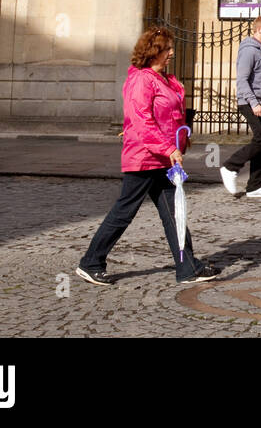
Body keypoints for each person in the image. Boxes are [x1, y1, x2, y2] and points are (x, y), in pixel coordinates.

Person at [76, 27, 219, 285]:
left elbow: (172, 116)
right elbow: (141, 121)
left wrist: (179, 142)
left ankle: (187, 267)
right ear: (154, 52)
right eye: (167, 49)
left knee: (174, 213)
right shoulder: (141, 80)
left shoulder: (166, 80)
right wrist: (168, 148)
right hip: (143, 158)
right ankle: (90, 262)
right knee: (124, 212)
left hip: (162, 160)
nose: (172, 53)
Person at [221, 16, 261, 198]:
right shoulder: (249, 50)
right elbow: (242, 80)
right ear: (259, 30)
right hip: (249, 101)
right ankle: (230, 167)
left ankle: (255, 186)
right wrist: (253, 103)